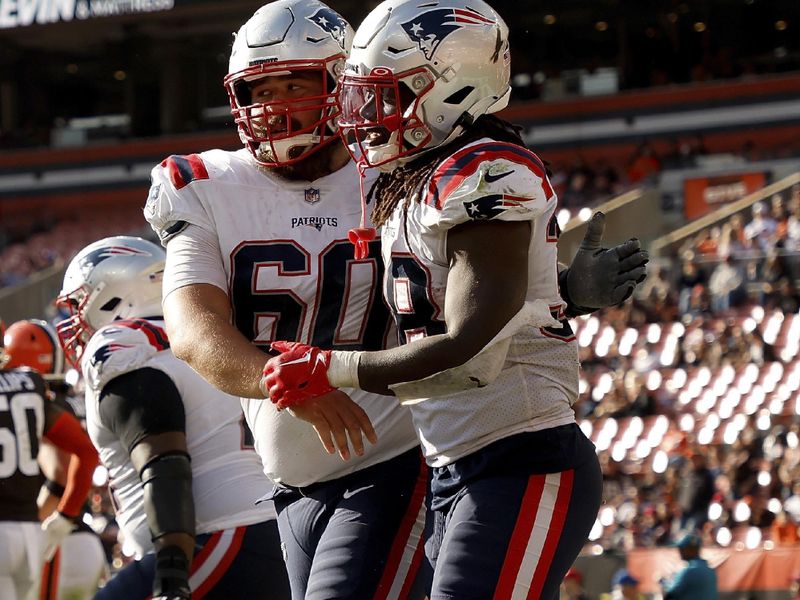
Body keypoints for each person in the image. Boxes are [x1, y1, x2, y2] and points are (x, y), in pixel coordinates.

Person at [145, 2, 646, 598]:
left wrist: (563, 291)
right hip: (296, 477)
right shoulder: (206, 185)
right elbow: (194, 331)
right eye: (259, 87)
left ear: (343, 79)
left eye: (296, 83)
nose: (273, 104)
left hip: (405, 457)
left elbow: (471, 313)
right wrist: (286, 382)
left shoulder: (408, 169)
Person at [55, 235, 289, 600]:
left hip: (213, 537)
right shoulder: (206, 335)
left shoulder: (127, 347)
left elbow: (163, 462)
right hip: (259, 530)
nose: (76, 319)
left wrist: (170, 571)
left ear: (114, 295)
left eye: (80, 303)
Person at [3, 319, 107, 599]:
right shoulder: (66, 399)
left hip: (53, 541)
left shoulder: (34, 403)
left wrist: (45, 518)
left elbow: (59, 470)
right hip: (80, 532)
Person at [662, 534, 717, 600]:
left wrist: (663, 583)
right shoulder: (711, 571)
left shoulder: (688, 572)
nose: (680, 552)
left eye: (682, 548)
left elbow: (669, 596)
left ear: (690, 550)